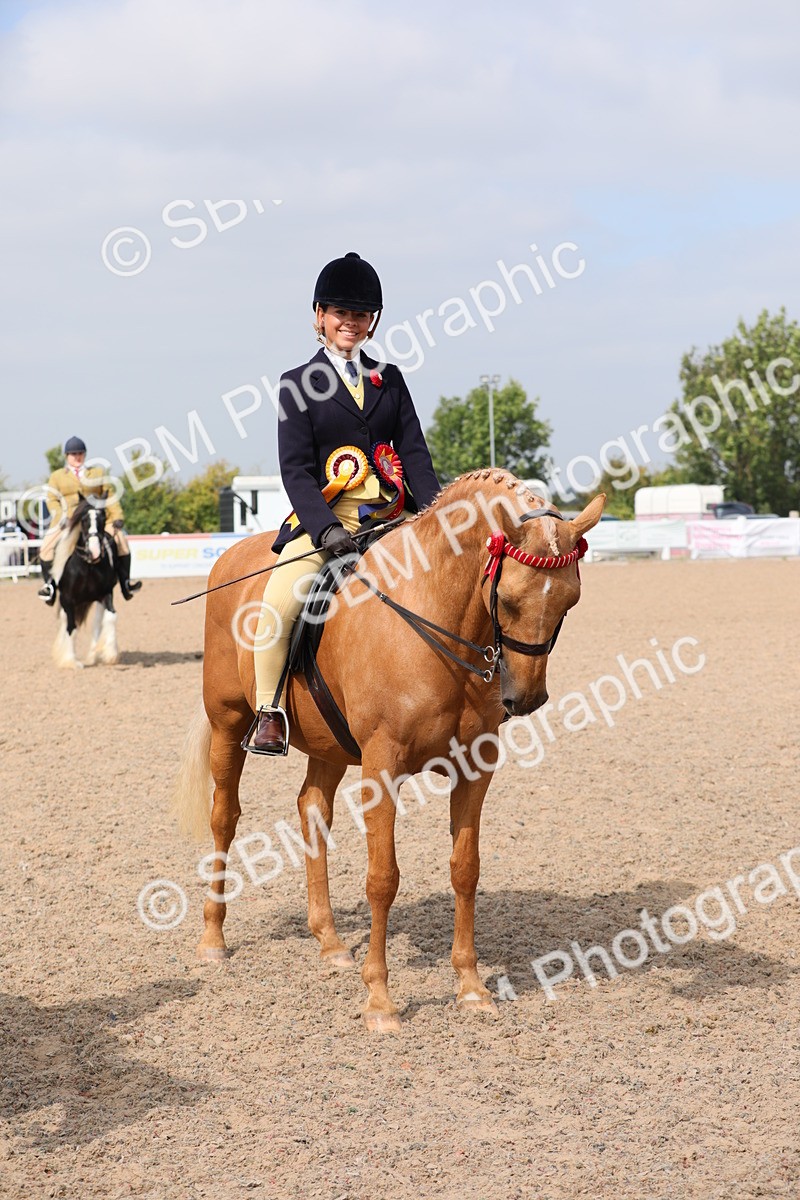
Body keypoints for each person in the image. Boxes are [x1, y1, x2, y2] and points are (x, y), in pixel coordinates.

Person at [245, 251, 440, 755]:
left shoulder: (389, 379)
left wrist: (437, 515)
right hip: (327, 519)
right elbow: (295, 469)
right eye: (340, 312)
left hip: (391, 514)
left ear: (372, 321)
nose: (350, 322)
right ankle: (269, 711)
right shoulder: (296, 384)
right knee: (280, 601)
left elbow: (414, 453)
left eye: (360, 314)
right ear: (320, 316)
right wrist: (325, 527)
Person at [37, 435, 142, 604]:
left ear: (85, 454)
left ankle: (126, 583)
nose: (77, 457)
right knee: (46, 547)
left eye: (80, 453)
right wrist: (61, 517)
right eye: (73, 454)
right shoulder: (57, 476)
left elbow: (110, 496)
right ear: (67, 456)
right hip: (69, 521)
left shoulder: (97, 472)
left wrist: (117, 516)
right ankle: (50, 586)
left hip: (97, 519)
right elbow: (52, 500)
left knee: (121, 541)